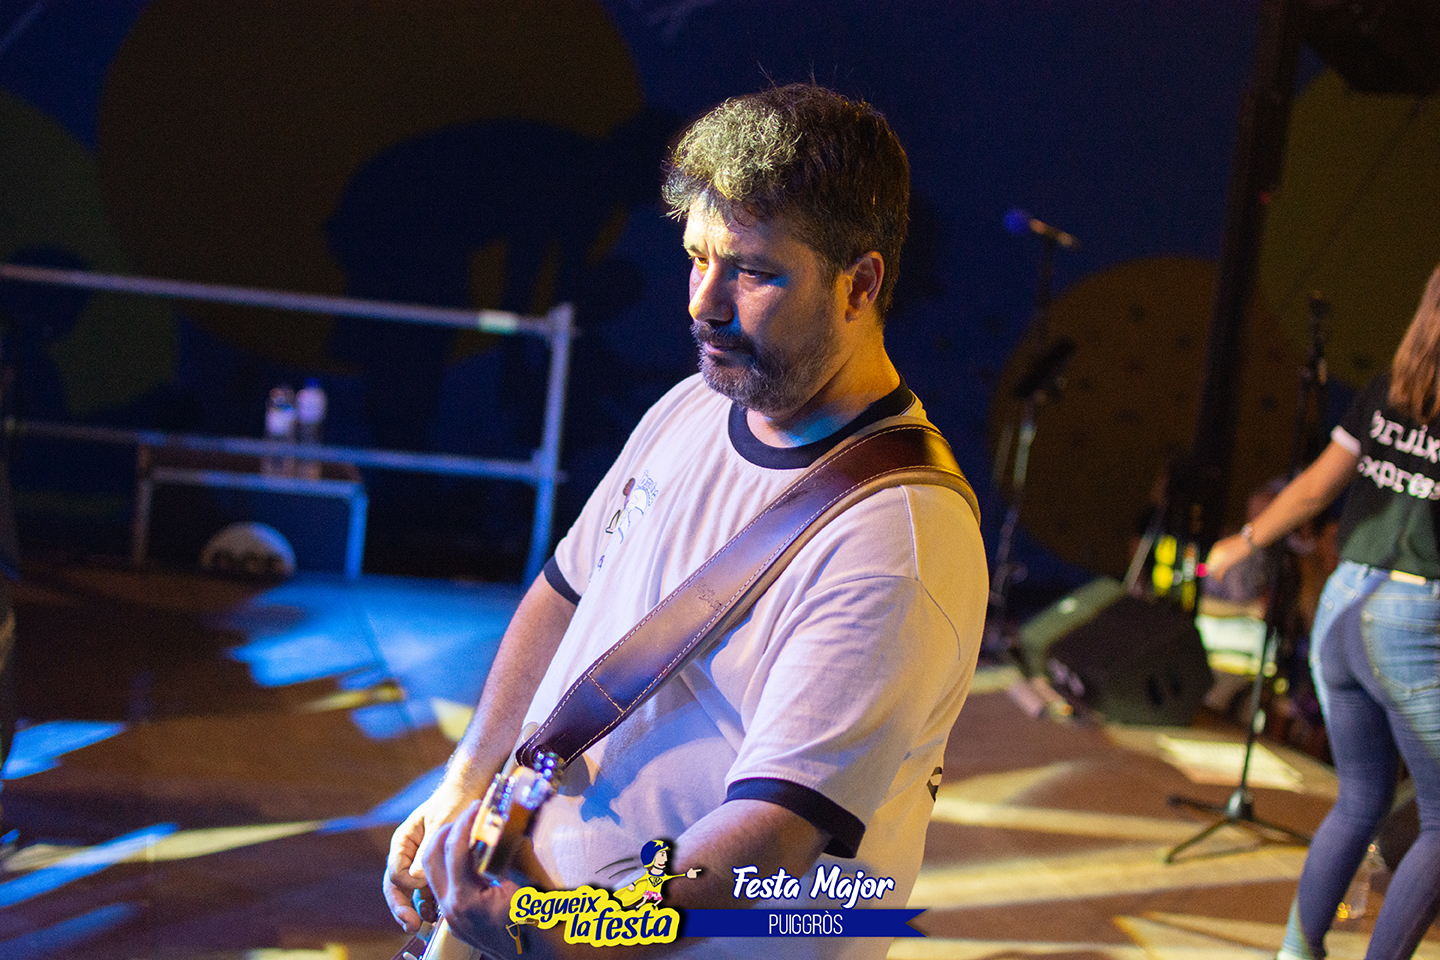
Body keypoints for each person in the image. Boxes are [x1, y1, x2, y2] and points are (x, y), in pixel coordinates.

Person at [383, 83, 988, 958]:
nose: (704, 302)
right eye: (696, 257)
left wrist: (552, 932)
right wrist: (466, 782)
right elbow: (561, 599)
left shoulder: (897, 543)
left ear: (859, 285)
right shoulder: (693, 407)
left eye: (752, 271)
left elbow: (763, 849)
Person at [1206, 261, 1440, 960]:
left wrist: (1243, 540)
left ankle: (1296, 953)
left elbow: (1313, 491)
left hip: (1341, 611)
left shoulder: (1385, 392)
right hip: (1408, 621)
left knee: (1361, 800)